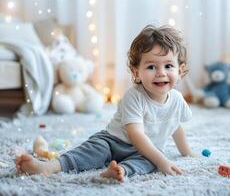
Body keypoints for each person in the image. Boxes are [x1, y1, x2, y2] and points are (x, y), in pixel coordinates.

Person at [15, 24, 198, 182]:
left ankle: (120, 171)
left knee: (148, 161)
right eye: (151, 66)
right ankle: (52, 166)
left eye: (168, 66)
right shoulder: (133, 96)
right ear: (136, 72)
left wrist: (186, 151)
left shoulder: (177, 100)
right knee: (93, 151)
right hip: (114, 141)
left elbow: (175, 126)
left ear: (180, 70)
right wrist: (161, 161)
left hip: (146, 151)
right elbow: (136, 135)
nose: (161, 73)